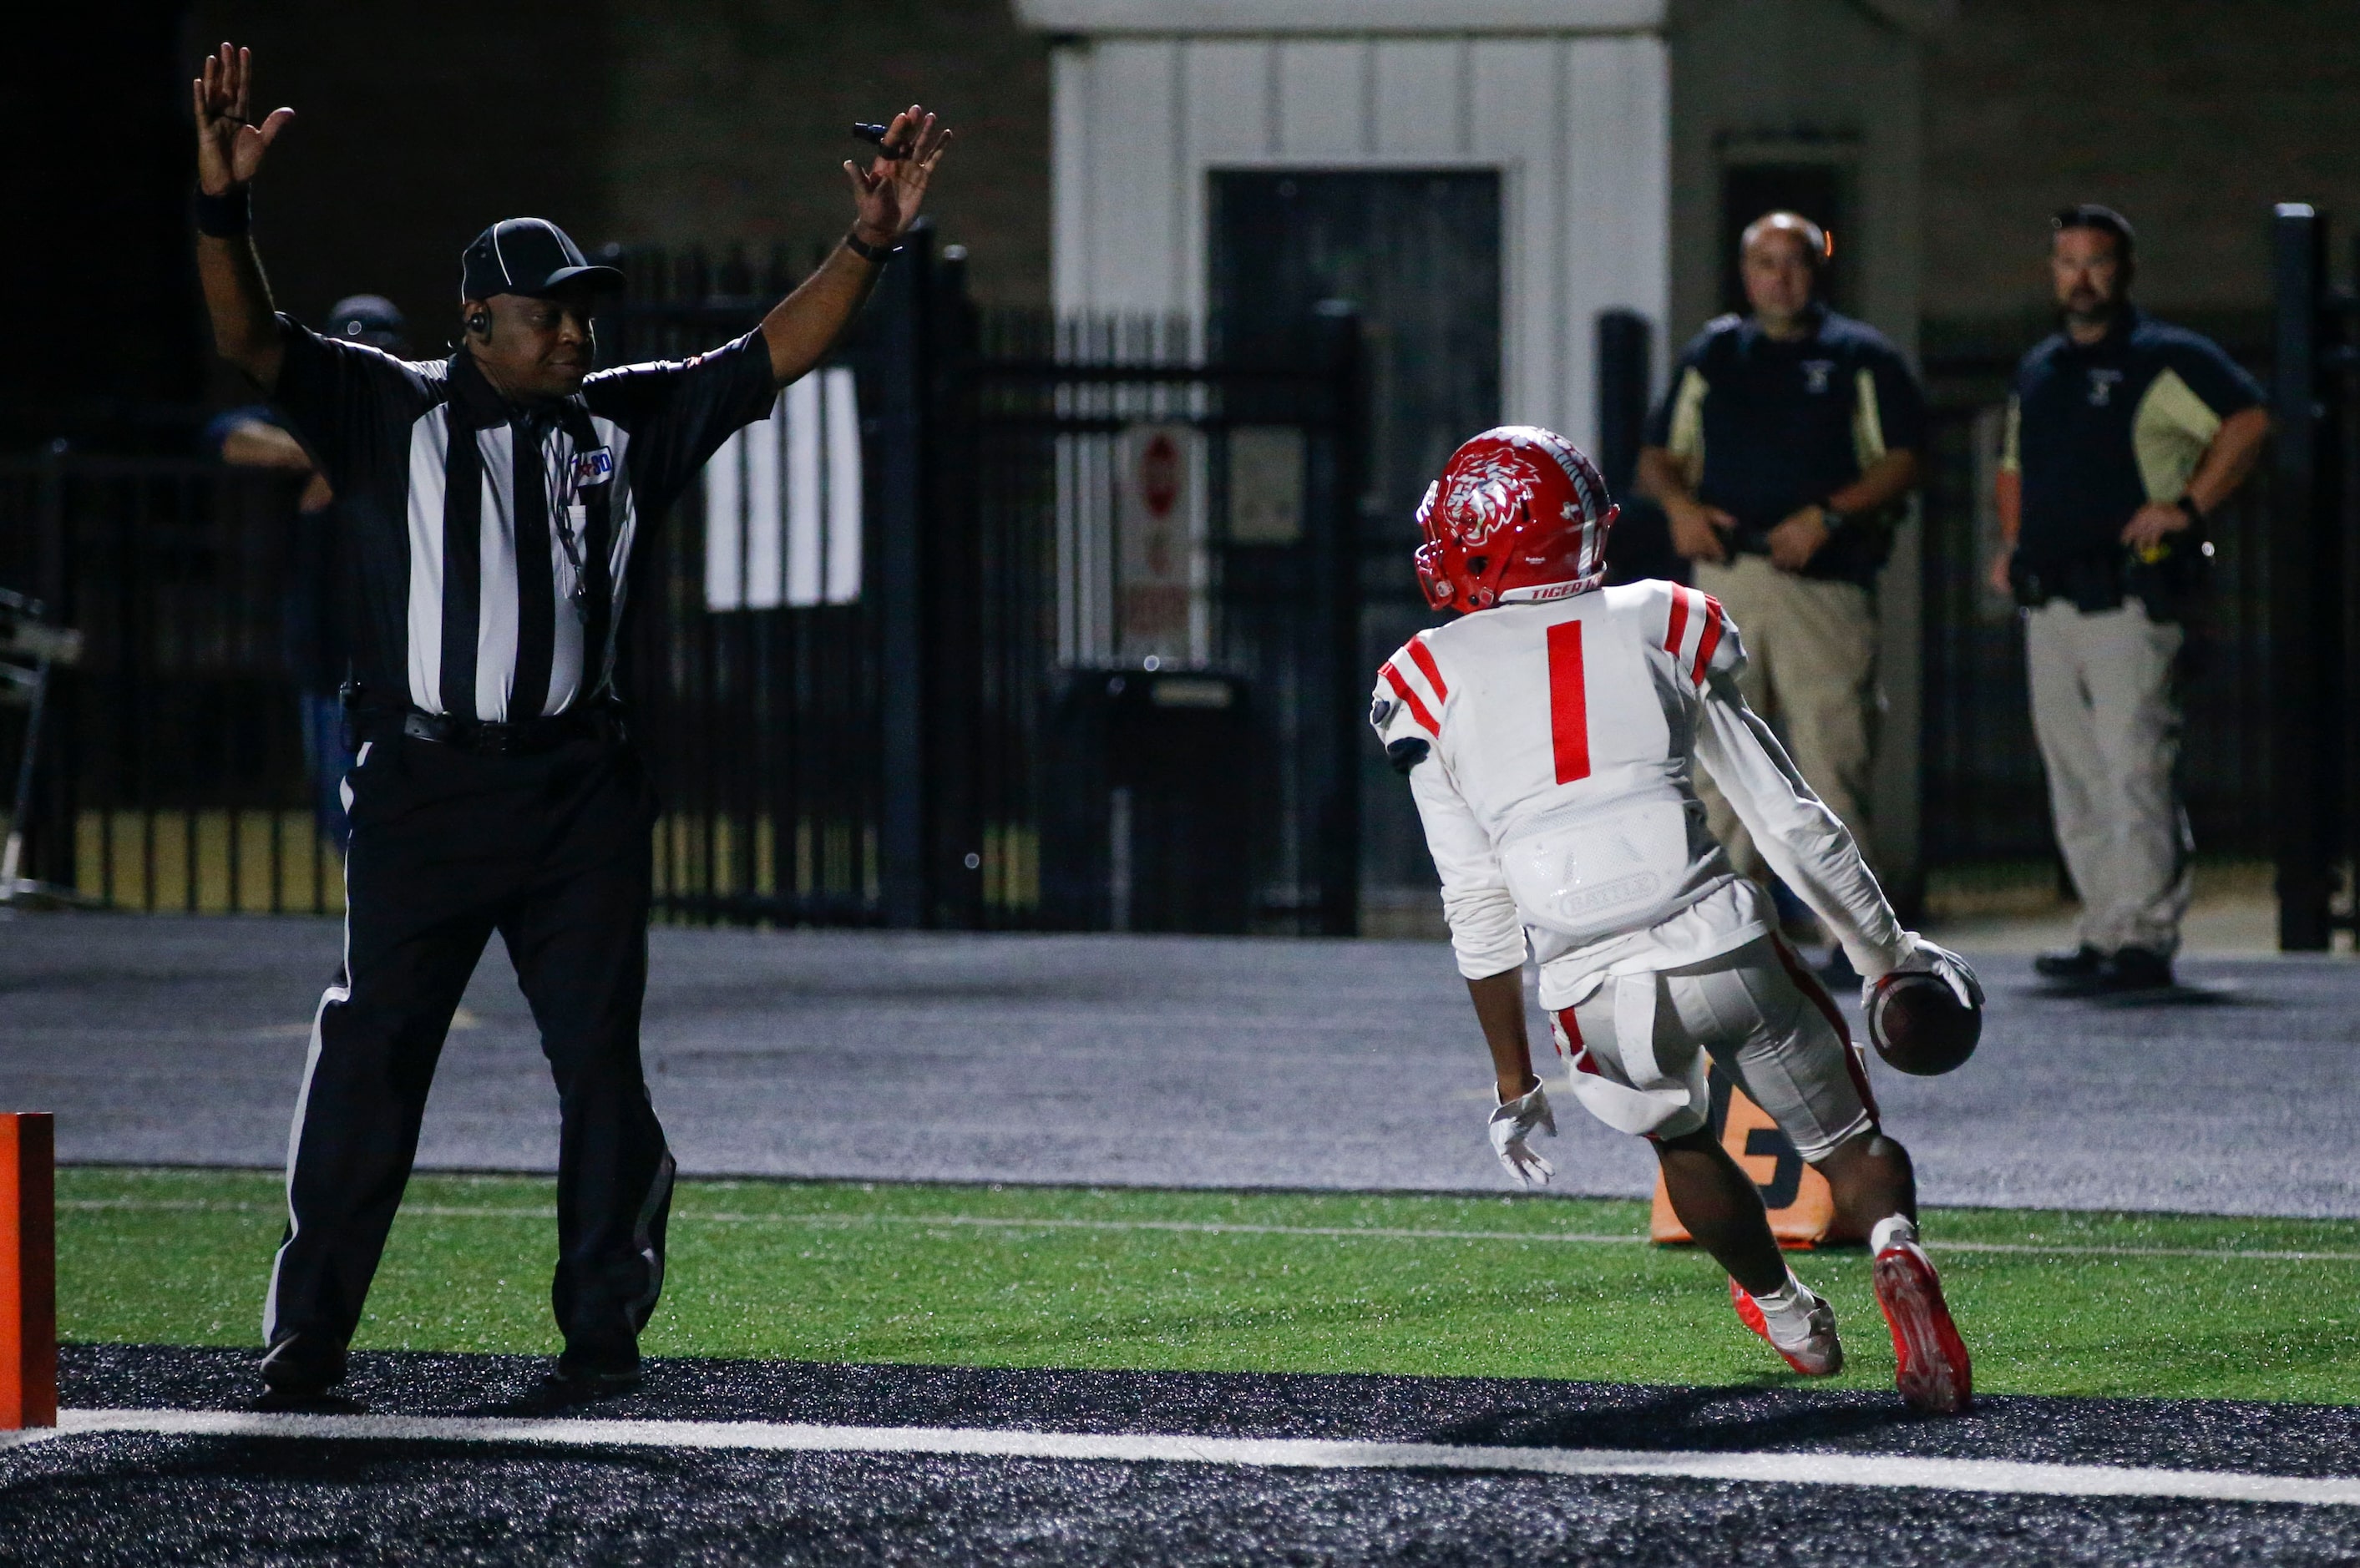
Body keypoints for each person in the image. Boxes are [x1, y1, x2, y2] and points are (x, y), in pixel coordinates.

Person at [191, 42, 950, 1403]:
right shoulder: (385, 407)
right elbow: (249, 340)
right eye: (550, 312)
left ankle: (601, 1330)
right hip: (427, 784)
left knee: (600, 1066)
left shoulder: (619, 424)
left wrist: (869, 244)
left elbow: (770, 353)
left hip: (577, 794)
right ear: (476, 317)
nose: (577, 331)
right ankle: (307, 1341)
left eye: (584, 312)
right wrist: (220, 210)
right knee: (376, 1059)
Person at [1374, 427, 1978, 1413]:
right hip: (1718, 938)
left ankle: (1787, 1315)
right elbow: (1790, 821)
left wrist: (1514, 1080)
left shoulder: (1423, 680)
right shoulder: (1660, 617)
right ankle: (1895, 1248)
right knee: (1849, 1147)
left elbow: (1477, 906)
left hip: (1589, 990)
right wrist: (1884, 954)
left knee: (1685, 1145)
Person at [1635, 212, 1927, 983]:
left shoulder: (1860, 356)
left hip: (1821, 585)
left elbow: (1904, 459)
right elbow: (1660, 455)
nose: (1780, 278)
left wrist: (1830, 515)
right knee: (1716, 766)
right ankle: (1724, 934)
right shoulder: (1716, 354)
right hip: (1728, 578)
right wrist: (1681, 508)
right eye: (1765, 263)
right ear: (1745, 271)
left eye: (1793, 262)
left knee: (1834, 758)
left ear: (1816, 269)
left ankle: (1855, 943)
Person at [1992, 205, 2269, 993]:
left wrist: (2190, 509)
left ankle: (2144, 934)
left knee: (2135, 766)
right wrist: (2013, 545)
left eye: (2098, 261)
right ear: (2052, 271)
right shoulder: (2042, 366)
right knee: (2075, 771)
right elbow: (2012, 464)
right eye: (2068, 261)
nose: (2082, 277)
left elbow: (2247, 422)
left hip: (2129, 597)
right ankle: (2105, 926)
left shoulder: (2164, 356)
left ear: (2125, 270)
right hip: (2051, 599)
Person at [210, 296, 407, 853]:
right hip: (325, 652)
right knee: (338, 808)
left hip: (409, 658)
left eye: (379, 354)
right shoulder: (307, 415)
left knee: (399, 809)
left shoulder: (420, 416)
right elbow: (228, 437)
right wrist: (328, 457)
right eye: (353, 353)